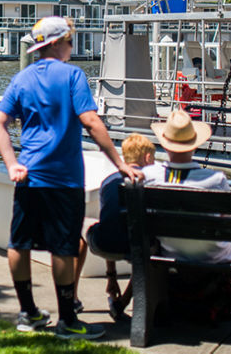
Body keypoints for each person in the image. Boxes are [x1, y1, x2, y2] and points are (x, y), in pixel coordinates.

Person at [0, 16, 140, 341]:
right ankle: (68, 320)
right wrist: (119, 162)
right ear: (57, 43)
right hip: (63, 179)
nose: (72, 47)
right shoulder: (73, 75)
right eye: (70, 41)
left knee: (20, 243)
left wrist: (12, 163)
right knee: (64, 247)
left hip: (28, 176)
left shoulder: (21, 78)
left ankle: (28, 312)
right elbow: (90, 120)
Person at [143, 108, 231, 309]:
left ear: (165, 143)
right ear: (195, 144)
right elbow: (229, 221)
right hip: (211, 255)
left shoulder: (149, 176)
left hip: (168, 251)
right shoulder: (215, 179)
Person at [78, 132, 156, 323]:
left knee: (80, 224)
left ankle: (71, 296)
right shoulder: (152, 184)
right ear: (146, 157)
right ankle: (123, 302)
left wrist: (111, 277)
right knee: (146, 245)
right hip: (140, 249)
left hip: (105, 243)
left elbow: (108, 220)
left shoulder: (109, 181)